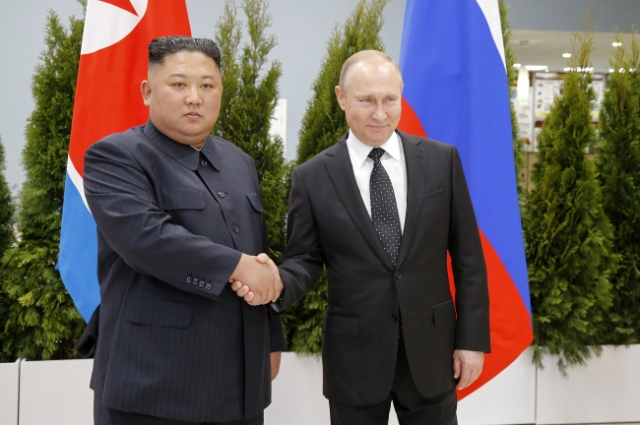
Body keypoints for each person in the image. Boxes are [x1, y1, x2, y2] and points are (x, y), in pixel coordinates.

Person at [233, 50, 490, 425]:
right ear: (341, 97)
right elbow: (304, 260)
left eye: (390, 99)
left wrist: (471, 341)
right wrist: (274, 284)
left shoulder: (442, 162)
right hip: (354, 361)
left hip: (431, 354)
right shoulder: (312, 176)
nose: (380, 113)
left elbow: (468, 258)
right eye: (366, 100)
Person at [79, 36, 285, 425]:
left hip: (240, 388)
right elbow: (146, 238)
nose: (194, 97)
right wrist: (237, 267)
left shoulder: (239, 162)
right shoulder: (116, 156)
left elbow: (257, 251)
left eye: (207, 85)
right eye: (179, 84)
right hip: (153, 386)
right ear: (147, 90)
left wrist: (271, 339)